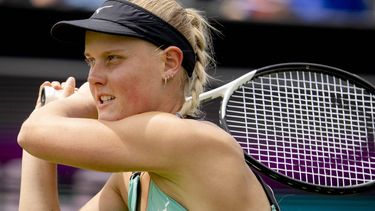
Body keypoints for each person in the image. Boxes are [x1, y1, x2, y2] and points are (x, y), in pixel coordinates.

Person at [17, 0, 280, 210]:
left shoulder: (190, 141)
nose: (94, 78)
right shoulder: (129, 176)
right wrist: (40, 124)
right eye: (91, 61)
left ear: (169, 63)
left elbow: (33, 133)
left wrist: (75, 102)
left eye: (112, 58)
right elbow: (33, 135)